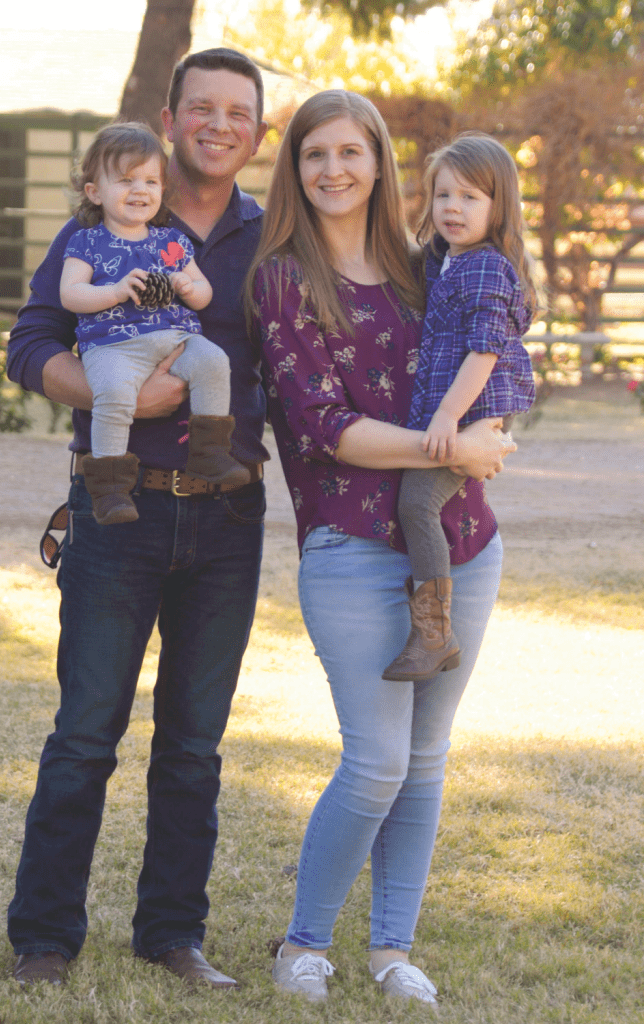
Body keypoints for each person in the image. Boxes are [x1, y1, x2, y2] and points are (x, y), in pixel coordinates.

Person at [5, 47, 268, 988]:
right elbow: (30, 340)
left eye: (237, 112)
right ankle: (43, 937)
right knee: (86, 730)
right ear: (170, 118)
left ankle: (172, 932)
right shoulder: (97, 225)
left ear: (256, 130)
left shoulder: (268, 238)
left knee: (194, 742)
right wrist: (113, 391)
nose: (218, 125)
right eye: (201, 108)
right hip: (114, 512)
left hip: (229, 516)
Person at [247, 90, 514, 1006]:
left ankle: (392, 948)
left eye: (349, 152)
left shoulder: (426, 264)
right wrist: (456, 445)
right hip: (352, 545)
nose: (332, 170)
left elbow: (497, 345)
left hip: (463, 541)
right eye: (314, 154)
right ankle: (303, 945)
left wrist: (491, 431)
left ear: (378, 161)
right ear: (294, 167)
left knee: (427, 758)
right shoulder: (281, 279)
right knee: (376, 760)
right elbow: (325, 428)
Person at [381, 133, 537, 683]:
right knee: (417, 502)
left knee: (417, 503)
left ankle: (434, 635)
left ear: (499, 208)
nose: (452, 208)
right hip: (457, 405)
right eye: (443, 195)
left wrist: (450, 417)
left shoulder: (488, 268)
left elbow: (486, 348)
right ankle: (432, 628)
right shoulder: (447, 260)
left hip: (474, 407)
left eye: (470, 197)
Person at [60, 121, 249, 526]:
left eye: (150, 180)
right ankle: (109, 486)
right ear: (94, 191)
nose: (140, 190)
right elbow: (70, 294)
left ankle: (210, 452)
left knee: (214, 360)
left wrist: (187, 284)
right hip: (113, 346)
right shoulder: (86, 241)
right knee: (112, 394)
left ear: (163, 189)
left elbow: (204, 292)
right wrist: (113, 291)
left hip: (174, 340)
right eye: (126, 180)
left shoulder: (171, 242)